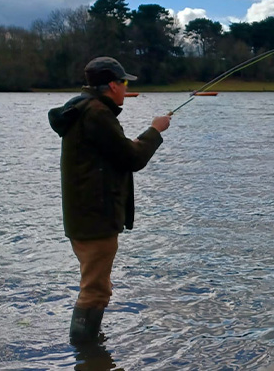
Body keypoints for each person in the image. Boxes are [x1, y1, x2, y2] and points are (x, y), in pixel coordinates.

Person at [48, 56, 171, 344]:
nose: (126, 89)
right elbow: (132, 158)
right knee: (96, 289)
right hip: (95, 219)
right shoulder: (97, 114)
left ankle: (90, 351)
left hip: (84, 217)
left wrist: (148, 134)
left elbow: (120, 153)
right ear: (113, 85)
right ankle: (85, 350)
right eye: (125, 83)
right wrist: (155, 130)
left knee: (95, 284)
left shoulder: (82, 110)